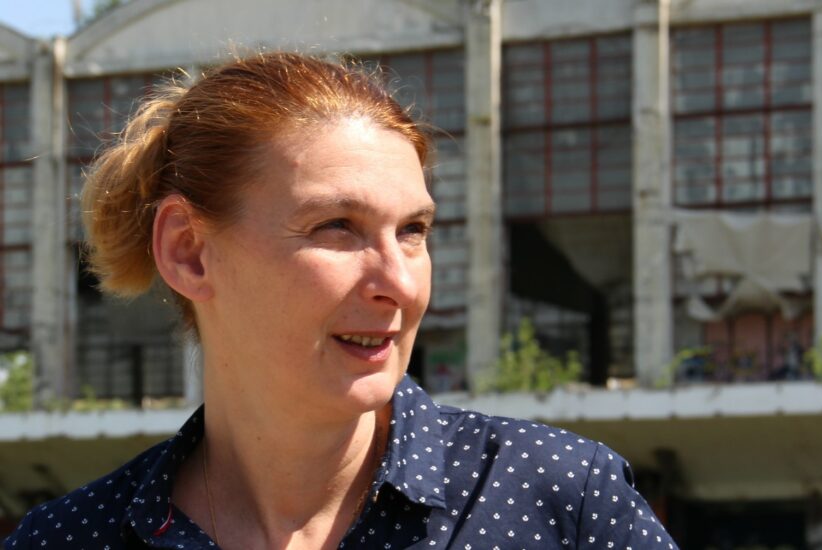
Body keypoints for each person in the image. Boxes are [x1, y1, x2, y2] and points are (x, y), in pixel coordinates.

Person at [3, 52, 677, 549]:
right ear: (188, 251)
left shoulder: (560, 501)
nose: (400, 283)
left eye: (412, 231)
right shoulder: (67, 540)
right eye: (337, 227)